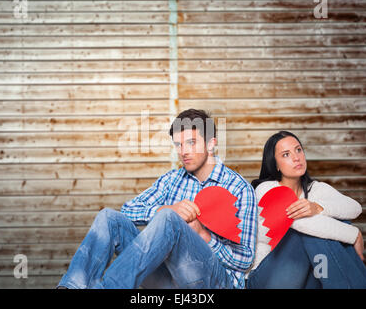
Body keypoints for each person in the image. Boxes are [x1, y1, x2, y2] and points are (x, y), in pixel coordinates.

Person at [57, 109, 257, 289]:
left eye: (191, 142)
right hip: (168, 279)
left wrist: (203, 234)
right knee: (109, 218)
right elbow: (127, 210)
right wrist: (164, 209)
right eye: (178, 144)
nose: (183, 151)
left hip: (214, 282)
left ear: (211, 143)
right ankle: (71, 287)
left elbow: (245, 260)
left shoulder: (239, 188)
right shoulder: (172, 179)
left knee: (169, 219)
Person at [246, 130, 366, 289]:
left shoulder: (316, 189)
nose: (296, 157)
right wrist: (354, 234)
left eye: (298, 150)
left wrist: (318, 207)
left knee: (337, 221)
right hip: (265, 277)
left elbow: (355, 207)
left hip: (307, 272)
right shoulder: (266, 190)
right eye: (286, 154)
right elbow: (300, 224)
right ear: (275, 165)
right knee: (310, 232)